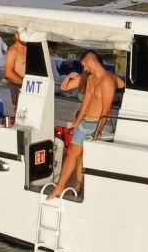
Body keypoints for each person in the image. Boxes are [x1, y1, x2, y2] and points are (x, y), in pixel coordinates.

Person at [47, 50, 116, 201]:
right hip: (85, 122)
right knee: (72, 153)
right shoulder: (91, 78)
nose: (84, 69)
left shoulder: (107, 80)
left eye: (84, 65)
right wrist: (77, 121)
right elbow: (86, 101)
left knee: (86, 160)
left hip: (98, 124)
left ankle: (83, 189)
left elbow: (106, 109)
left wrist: (99, 130)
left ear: (91, 62)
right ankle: (60, 186)